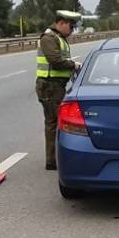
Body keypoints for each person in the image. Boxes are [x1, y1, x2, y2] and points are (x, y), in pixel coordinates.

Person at [36, 10, 82, 170]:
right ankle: (52, 161)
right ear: (61, 23)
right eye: (71, 26)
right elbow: (55, 61)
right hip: (49, 86)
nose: (72, 30)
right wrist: (73, 65)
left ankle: (55, 158)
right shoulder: (49, 38)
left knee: (56, 122)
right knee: (55, 122)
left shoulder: (59, 38)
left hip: (56, 86)